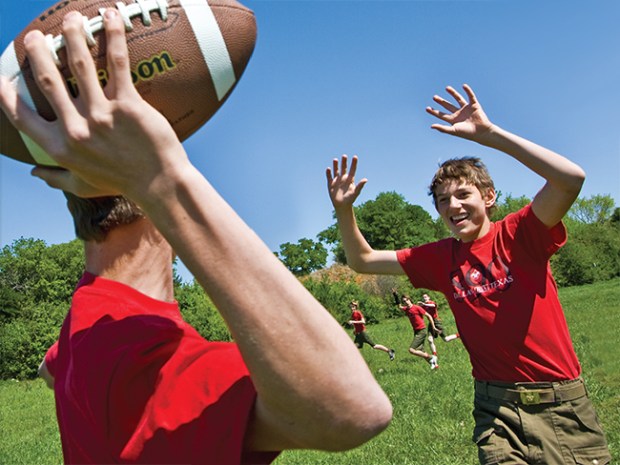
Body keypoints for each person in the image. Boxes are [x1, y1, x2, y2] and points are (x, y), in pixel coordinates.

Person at [0, 9, 392, 464]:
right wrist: (163, 178)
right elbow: (352, 409)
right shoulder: (141, 355)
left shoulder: (89, 323)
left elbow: (53, 366)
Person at [325, 84, 611, 464]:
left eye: (463, 195)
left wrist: (491, 135)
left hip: (559, 403)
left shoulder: (520, 233)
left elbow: (570, 180)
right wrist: (344, 211)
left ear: (488, 197)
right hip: (496, 408)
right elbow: (362, 260)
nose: (453, 206)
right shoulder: (439, 258)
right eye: (443, 200)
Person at [391, 290, 439, 369]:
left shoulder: (417, 308)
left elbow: (429, 316)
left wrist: (433, 327)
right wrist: (396, 296)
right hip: (416, 331)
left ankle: (432, 358)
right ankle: (435, 365)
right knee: (421, 351)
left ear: (409, 300)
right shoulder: (407, 309)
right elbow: (399, 306)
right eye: (404, 301)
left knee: (411, 350)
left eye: (406, 300)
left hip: (422, 331)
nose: (406, 302)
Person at [416, 293, 459, 364]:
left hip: (437, 322)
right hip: (431, 323)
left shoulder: (431, 303)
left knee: (446, 339)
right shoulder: (423, 306)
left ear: (429, 297)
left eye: (426, 297)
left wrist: (424, 304)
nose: (425, 298)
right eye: (423, 297)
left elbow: (433, 305)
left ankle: (458, 335)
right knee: (430, 340)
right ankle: (434, 355)